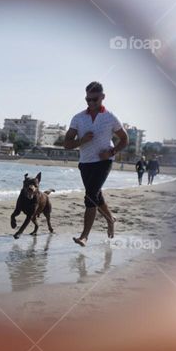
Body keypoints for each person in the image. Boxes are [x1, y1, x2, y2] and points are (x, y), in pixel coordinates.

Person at [64, 81, 128, 246]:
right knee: (96, 196)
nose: (91, 103)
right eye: (88, 100)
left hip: (103, 161)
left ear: (102, 97)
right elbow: (67, 143)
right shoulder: (78, 118)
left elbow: (124, 139)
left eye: (95, 99)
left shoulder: (110, 117)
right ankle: (111, 219)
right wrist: (82, 140)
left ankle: (84, 236)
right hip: (85, 163)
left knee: (90, 196)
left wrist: (111, 152)